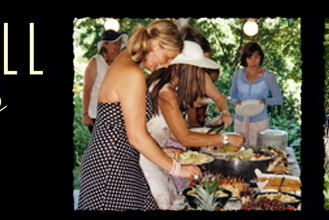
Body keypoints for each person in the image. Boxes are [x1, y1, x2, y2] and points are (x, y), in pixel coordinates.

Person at [78, 20, 200, 211]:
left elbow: (127, 129)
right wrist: (177, 168)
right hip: (111, 167)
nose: (167, 64)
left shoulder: (126, 64)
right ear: (154, 45)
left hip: (120, 160)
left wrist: (161, 152)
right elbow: (136, 136)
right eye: (168, 57)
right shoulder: (131, 72)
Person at [141, 41, 245, 209]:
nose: (199, 74)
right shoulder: (165, 91)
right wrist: (225, 139)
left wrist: (205, 137)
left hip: (156, 156)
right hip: (146, 162)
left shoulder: (166, 87)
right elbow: (185, 138)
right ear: (181, 67)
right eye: (197, 69)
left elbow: (172, 132)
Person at [230, 41, 284, 147]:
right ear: (245, 59)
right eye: (249, 58)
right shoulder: (237, 74)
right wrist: (235, 101)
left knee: (260, 153)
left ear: (261, 58)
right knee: (240, 151)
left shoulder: (269, 76)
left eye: (256, 57)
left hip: (259, 121)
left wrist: (266, 101)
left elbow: (279, 99)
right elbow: (231, 97)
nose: (253, 61)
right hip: (240, 120)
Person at [181, 26, 232, 129]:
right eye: (198, 64)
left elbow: (218, 98)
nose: (202, 68)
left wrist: (225, 112)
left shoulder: (201, 74)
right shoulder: (168, 80)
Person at [82, 28, 128, 132]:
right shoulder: (95, 62)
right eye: (114, 43)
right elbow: (87, 88)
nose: (118, 47)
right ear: (105, 45)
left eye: (119, 43)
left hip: (115, 115)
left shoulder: (119, 64)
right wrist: (85, 114)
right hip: (96, 115)